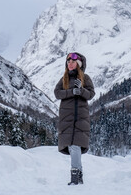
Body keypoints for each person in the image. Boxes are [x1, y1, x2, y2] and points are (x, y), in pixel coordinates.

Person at [54, 52, 95, 185]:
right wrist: (72, 92)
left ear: (79, 64)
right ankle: (79, 175)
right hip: (66, 119)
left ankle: (75, 177)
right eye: (68, 61)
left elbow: (91, 94)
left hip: (81, 118)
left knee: (76, 146)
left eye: (72, 62)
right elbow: (57, 93)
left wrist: (81, 90)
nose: (70, 64)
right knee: (72, 147)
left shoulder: (85, 78)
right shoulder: (64, 78)